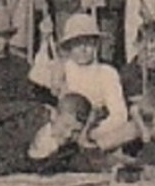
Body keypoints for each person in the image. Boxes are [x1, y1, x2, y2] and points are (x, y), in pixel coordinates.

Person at [29, 12, 129, 148]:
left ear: (96, 45)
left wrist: (92, 133)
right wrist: (45, 41)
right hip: (64, 131)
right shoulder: (62, 68)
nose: (83, 49)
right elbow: (36, 75)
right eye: (77, 44)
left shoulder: (106, 73)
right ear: (69, 46)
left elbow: (119, 115)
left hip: (93, 130)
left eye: (88, 43)